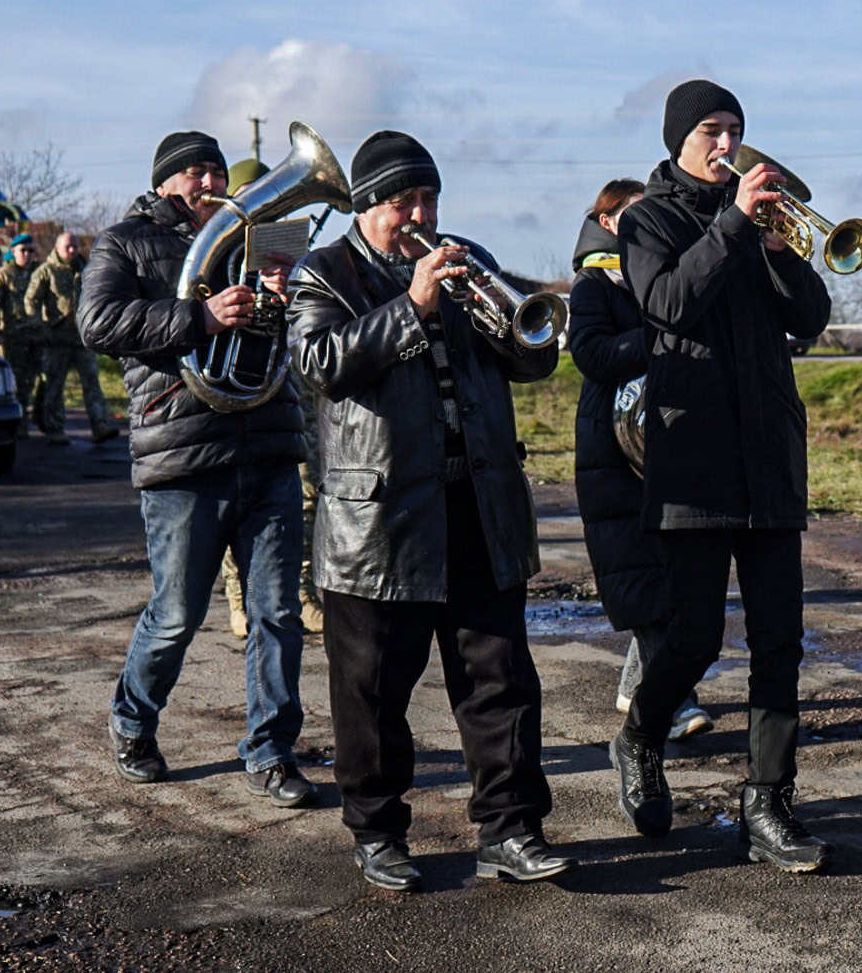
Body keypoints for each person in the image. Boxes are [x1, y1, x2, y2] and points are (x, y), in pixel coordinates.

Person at [286, 130, 570, 891]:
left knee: (500, 675)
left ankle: (510, 829)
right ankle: (378, 833)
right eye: (402, 201)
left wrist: (507, 319)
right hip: (378, 521)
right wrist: (411, 307)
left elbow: (532, 353)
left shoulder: (460, 254)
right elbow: (318, 363)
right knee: (373, 690)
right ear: (366, 205)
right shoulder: (324, 272)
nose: (418, 214)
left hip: (475, 501)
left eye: (428, 197)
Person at [610, 79, 833, 873]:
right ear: (679, 136)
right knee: (695, 637)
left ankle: (768, 799)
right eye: (712, 129)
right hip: (696, 460)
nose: (728, 143)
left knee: (780, 642)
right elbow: (668, 303)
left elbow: (809, 320)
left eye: (736, 129)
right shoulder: (648, 218)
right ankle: (640, 735)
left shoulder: (761, 224)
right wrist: (736, 222)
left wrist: (779, 254)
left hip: (769, 455)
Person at [77, 130, 313, 807]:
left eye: (216, 169)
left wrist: (279, 291)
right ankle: (132, 720)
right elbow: (96, 322)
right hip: (183, 455)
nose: (211, 181)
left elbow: (285, 328)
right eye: (196, 172)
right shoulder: (123, 241)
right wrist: (198, 315)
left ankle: (271, 751)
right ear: (165, 182)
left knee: (277, 613)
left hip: (266, 443)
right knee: (177, 614)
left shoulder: (257, 236)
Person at [567, 178, 712, 743]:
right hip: (614, 446)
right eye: (635, 214)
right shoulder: (593, 284)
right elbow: (590, 354)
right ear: (607, 222)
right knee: (641, 575)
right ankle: (674, 702)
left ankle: (637, 685)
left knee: (668, 574)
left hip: (674, 437)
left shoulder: (662, 270)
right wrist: (660, 335)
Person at [217, 155, 325, 640]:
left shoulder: (286, 243)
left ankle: (301, 595)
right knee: (236, 496)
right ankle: (239, 601)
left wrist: (291, 285)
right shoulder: (215, 248)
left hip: (295, 383)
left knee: (307, 491)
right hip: (240, 382)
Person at [26, 230, 120, 444]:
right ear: (57, 248)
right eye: (68, 246)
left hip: (82, 338)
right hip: (56, 339)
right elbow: (31, 301)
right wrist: (41, 327)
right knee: (54, 385)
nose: (72, 250)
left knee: (91, 382)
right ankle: (54, 428)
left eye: (75, 246)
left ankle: (100, 425)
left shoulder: (85, 270)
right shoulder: (45, 272)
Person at [0, 234, 44, 435]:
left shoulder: (39, 272)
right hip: (14, 338)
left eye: (30, 250)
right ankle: (20, 424)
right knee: (18, 381)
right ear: (13, 252)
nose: (27, 255)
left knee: (40, 379)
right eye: (22, 251)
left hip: (39, 336)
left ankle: (40, 417)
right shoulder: (4, 274)